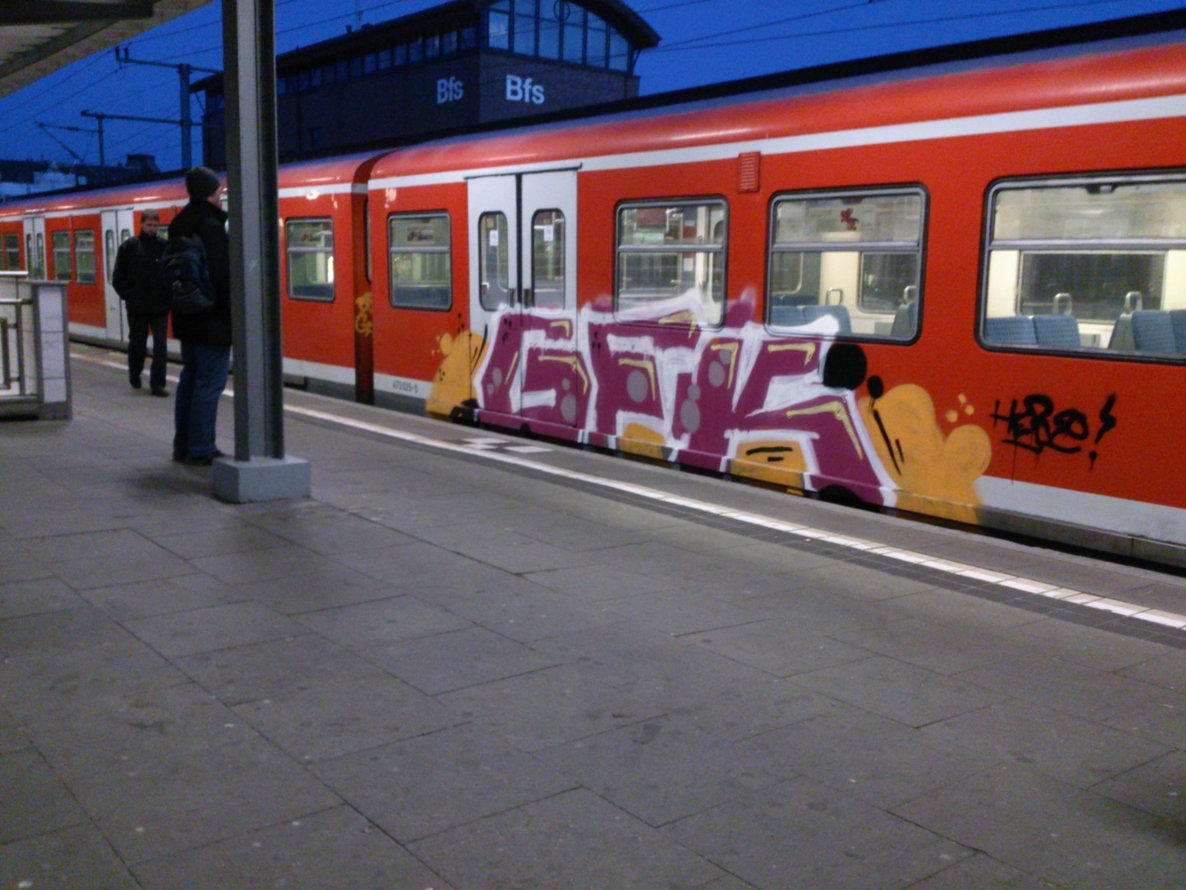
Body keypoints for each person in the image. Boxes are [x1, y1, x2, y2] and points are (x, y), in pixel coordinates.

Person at [169, 166, 230, 466]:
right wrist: (232, 318)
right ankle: (202, 448)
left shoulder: (180, 223)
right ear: (210, 193)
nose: (220, 196)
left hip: (186, 315)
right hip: (211, 319)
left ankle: (182, 445)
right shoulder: (210, 226)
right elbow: (221, 276)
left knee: (190, 381)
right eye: (218, 191)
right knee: (209, 384)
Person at [112, 208, 170, 396]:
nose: (152, 229)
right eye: (149, 225)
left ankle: (157, 384)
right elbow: (118, 277)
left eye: (155, 226)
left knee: (160, 345)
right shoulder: (129, 247)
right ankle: (135, 372)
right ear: (141, 224)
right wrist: (129, 296)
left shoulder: (164, 246)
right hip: (138, 306)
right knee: (138, 343)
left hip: (160, 306)